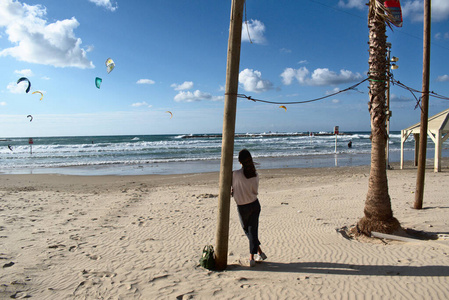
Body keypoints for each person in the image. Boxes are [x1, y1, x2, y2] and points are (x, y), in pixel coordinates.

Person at [231, 149, 267, 267]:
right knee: (253, 231)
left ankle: (252, 257)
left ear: (239, 161)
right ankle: (260, 253)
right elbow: (255, 191)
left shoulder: (235, 174)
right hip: (254, 204)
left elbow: (232, 188)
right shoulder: (255, 174)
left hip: (242, 207)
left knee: (249, 231)